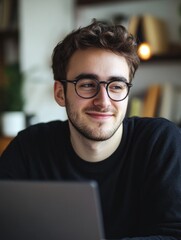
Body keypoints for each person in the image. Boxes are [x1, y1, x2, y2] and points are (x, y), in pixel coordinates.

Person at [0, 19, 181, 240]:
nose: (103, 101)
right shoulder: (29, 147)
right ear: (60, 93)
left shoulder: (160, 142)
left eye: (116, 86)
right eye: (87, 84)